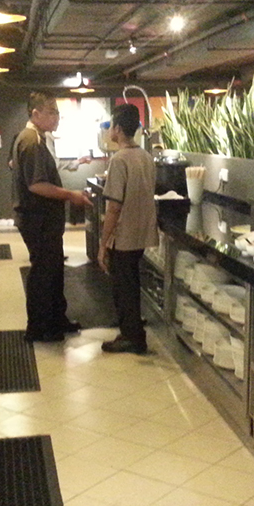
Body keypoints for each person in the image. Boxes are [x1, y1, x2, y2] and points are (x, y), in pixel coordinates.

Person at [11, 91, 93, 342]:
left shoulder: (39, 138)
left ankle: (57, 319)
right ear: (35, 114)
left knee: (54, 269)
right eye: (51, 112)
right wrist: (70, 195)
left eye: (57, 112)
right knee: (43, 273)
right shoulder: (31, 141)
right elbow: (37, 185)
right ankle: (39, 327)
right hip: (37, 219)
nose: (56, 117)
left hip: (45, 219)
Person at [97, 104, 158, 354]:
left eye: (111, 125)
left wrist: (103, 244)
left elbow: (114, 207)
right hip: (142, 232)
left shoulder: (119, 160)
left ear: (119, 129)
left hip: (124, 236)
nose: (110, 130)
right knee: (131, 284)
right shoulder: (146, 157)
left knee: (123, 288)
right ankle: (132, 331)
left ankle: (132, 337)